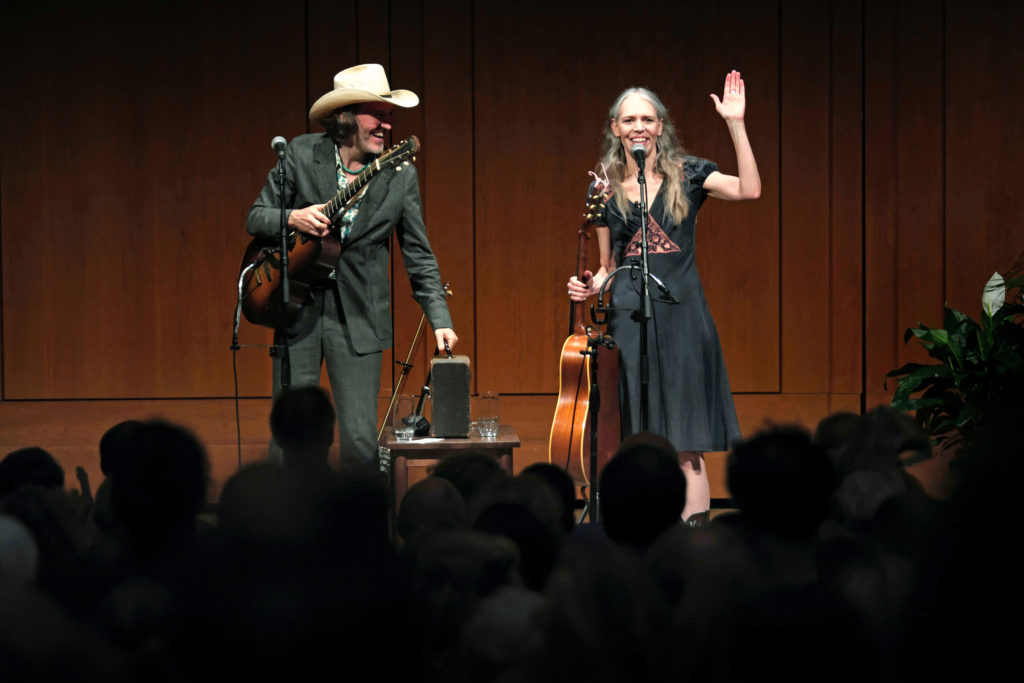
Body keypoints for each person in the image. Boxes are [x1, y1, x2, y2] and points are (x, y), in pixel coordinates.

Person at [567, 70, 761, 523]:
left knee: (685, 446)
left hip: (682, 322)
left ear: (660, 127)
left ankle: (691, 548)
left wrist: (736, 124)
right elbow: (607, 266)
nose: (639, 126)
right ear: (615, 127)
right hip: (628, 324)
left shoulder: (688, 174)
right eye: (629, 119)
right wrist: (590, 284)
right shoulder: (604, 189)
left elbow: (749, 190)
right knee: (634, 440)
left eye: (648, 119)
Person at [247, 64, 458, 463]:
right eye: (376, 114)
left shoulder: (400, 175)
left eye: (390, 116)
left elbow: (418, 252)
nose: (387, 125)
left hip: (360, 316)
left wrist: (440, 318)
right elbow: (256, 216)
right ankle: (287, 524)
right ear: (345, 117)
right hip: (297, 309)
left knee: (361, 440)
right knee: (291, 437)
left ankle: (359, 525)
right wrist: (292, 217)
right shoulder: (302, 153)